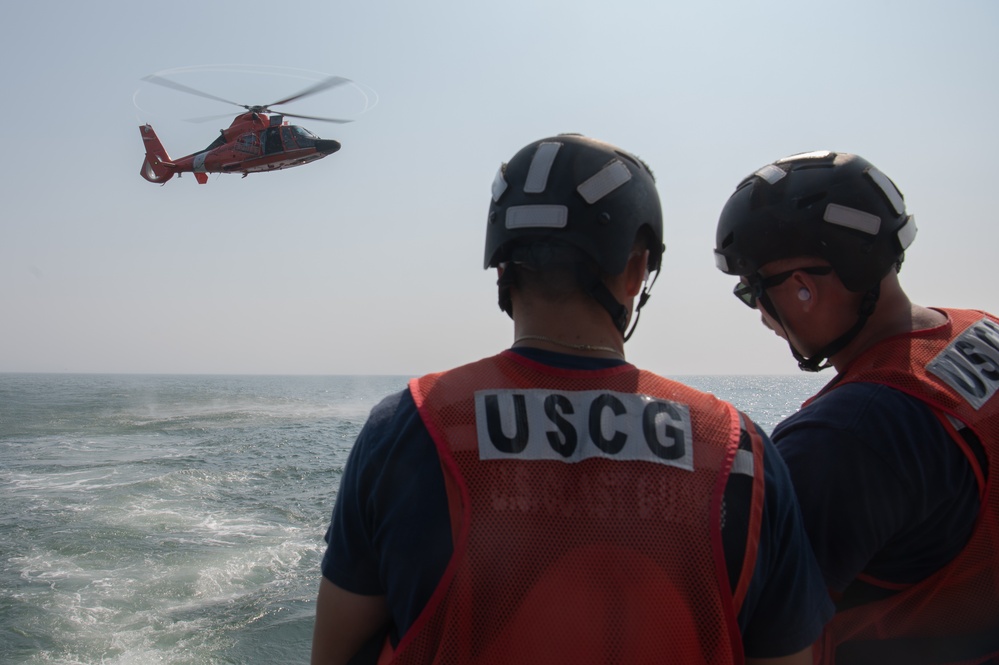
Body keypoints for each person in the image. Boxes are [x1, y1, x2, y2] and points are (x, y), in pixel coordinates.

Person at [311, 134, 832, 665]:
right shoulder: (739, 450)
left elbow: (335, 651)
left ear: (501, 268)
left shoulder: (408, 425)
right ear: (636, 269)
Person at [713, 150, 999, 665]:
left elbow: (749, 637)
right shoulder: (982, 330)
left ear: (804, 287)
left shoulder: (844, 439)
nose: (761, 315)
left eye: (754, 289)